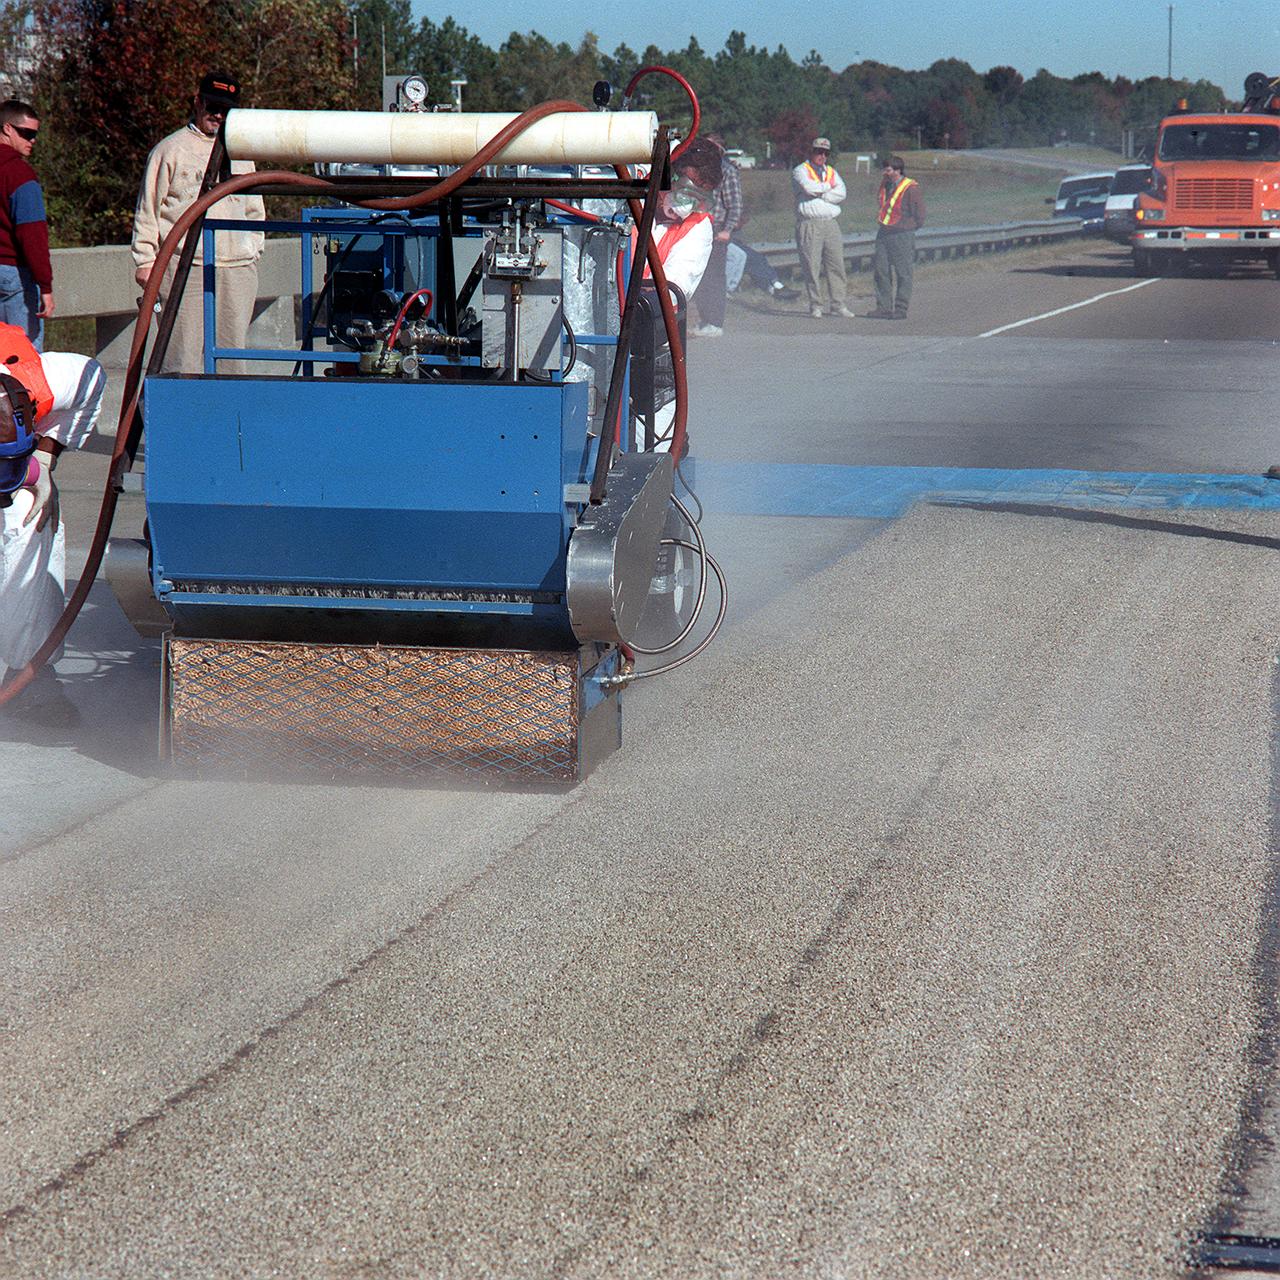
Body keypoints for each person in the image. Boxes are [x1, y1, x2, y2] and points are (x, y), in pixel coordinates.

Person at [0, 323, 106, 724]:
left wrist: (43, 460)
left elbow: (92, 378)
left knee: (30, 515)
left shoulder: (47, 380)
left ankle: (30, 678)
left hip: (23, 457)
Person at [131, 70, 265, 374]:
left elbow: (256, 210)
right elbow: (147, 210)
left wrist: (253, 250)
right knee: (181, 360)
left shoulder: (243, 154)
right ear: (197, 102)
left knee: (232, 362)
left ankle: (229, 421)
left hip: (236, 269)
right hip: (185, 268)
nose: (218, 115)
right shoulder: (170, 150)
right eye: (212, 107)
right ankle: (180, 420)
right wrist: (145, 261)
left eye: (226, 110)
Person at [0, 99, 53, 349]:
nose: (33, 140)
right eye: (27, 133)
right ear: (7, 128)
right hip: (14, 277)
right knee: (23, 363)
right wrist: (46, 285)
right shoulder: (20, 175)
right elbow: (32, 235)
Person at [688, 135, 742, 339]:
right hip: (699, 225)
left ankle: (715, 322)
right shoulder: (700, 170)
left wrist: (727, 230)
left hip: (717, 228)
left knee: (715, 278)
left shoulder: (728, 171)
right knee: (700, 276)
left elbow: (735, 204)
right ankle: (705, 319)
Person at [793, 136, 853, 319]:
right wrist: (828, 188)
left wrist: (824, 194)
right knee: (812, 266)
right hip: (810, 223)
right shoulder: (800, 170)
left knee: (836, 265)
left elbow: (842, 192)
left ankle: (838, 304)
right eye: (819, 151)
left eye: (825, 153)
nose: (822, 156)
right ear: (811, 152)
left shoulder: (831, 171)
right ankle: (816, 305)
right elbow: (809, 188)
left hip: (830, 223)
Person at [867, 155, 926, 320]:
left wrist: (909, 227)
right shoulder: (886, 185)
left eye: (888, 170)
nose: (885, 173)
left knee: (903, 272)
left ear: (897, 170)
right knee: (881, 270)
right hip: (885, 232)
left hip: (902, 234)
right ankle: (883, 307)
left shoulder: (911, 188)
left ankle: (901, 308)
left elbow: (920, 213)